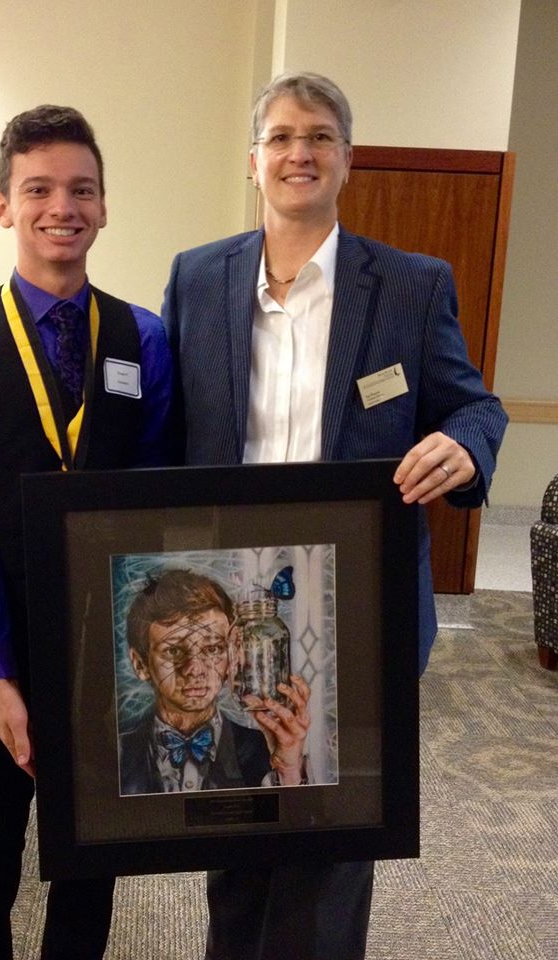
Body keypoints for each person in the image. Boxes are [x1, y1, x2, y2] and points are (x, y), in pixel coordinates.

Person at [161, 72, 508, 960]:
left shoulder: (408, 284)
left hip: (359, 604)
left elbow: (473, 407)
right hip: (226, 603)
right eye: (279, 137)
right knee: (235, 813)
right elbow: (164, 434)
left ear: (346, 160)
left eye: (318, 136)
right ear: (253, 161)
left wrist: (465, 446)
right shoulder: (198, 278)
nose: (298, 152)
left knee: (334, 822)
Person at [0, 105, 173, 960]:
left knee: (89, 860)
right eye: (39, 189)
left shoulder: (145, 340)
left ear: (104, 207)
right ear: (2, 205)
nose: (61, 206)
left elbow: (163, 501)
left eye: (81, 189)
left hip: (109, 648)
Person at [119, 568, 310, 794]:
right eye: (173, 651)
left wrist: (289, 769)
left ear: (233, 658)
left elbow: (301, 823)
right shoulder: (116, 752)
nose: (195, 669)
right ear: (140, 664)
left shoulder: (264, 748)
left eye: (212, 648)